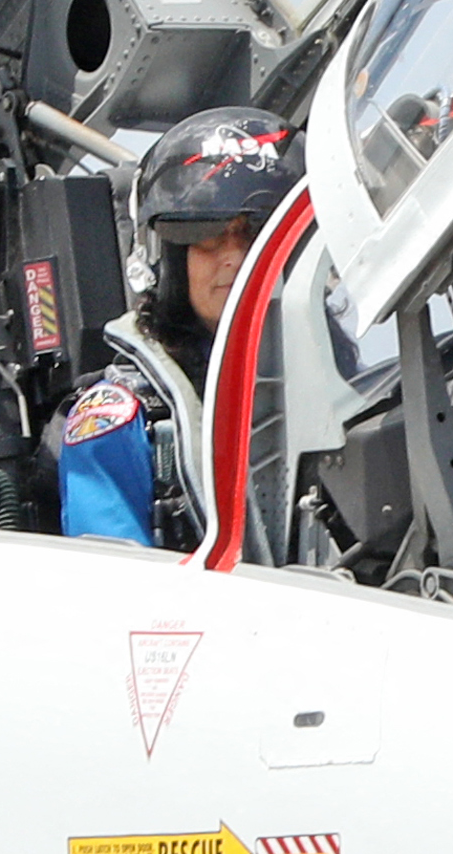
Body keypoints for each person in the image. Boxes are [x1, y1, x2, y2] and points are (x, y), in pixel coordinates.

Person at [57, 105, 303, 549]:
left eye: (255, 233)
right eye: (206, 236)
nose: (233, 257)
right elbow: (115, 591)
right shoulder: (120, 421)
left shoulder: (337, 391)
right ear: (169, 258)